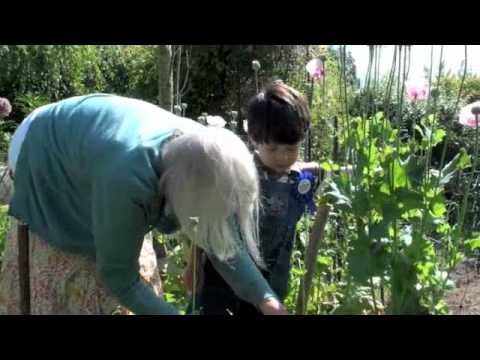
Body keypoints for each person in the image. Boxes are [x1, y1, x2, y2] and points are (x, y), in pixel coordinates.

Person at [0, 93, 287, 315]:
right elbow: (120, 279)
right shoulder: (127, 180)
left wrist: (266, 299)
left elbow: (224, 244)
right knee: (82, 272)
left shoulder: (205, 157)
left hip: (97, 146)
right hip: (41, 147)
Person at [184, 81, 322, 315]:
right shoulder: (236, 173)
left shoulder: (301, 178)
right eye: (273, 149)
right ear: (253, 139)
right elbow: (209, 221)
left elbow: (329, 170)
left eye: (291, 149)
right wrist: (193, 262)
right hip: (221, 282)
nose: (282, 157)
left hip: (271, 284)